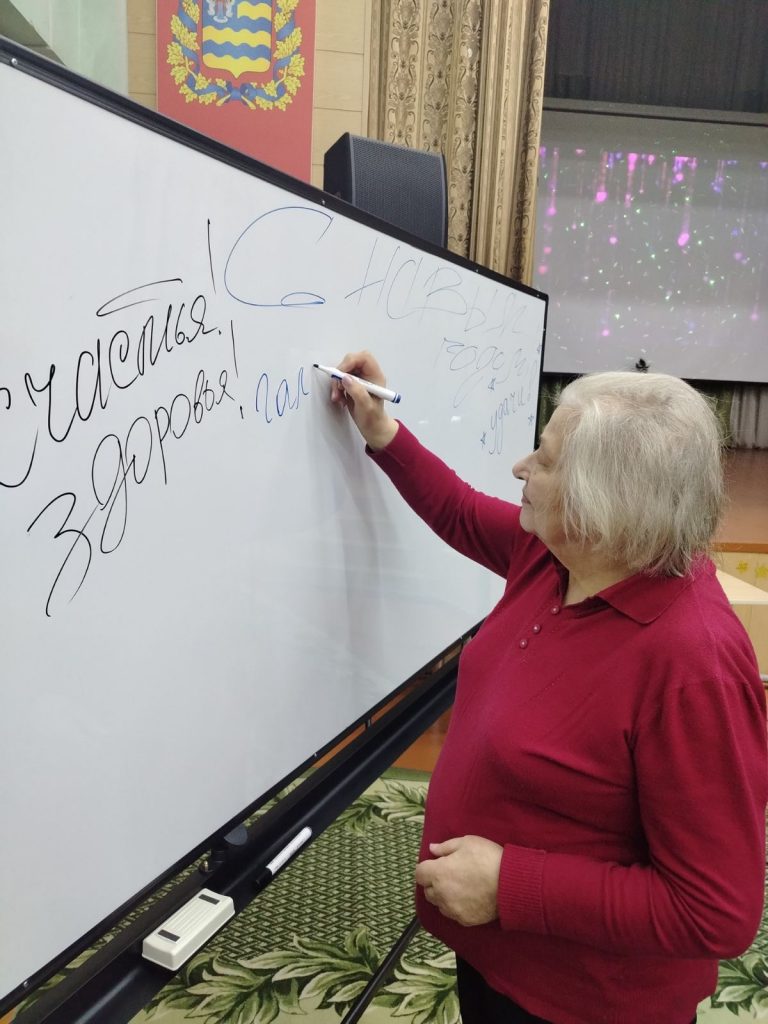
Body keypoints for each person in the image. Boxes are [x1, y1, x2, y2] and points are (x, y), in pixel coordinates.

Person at [327, 351, 768, 1024]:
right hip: (498, 954)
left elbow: (715, 911)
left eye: (547, 460)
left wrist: (510, 885)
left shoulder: (692, 663)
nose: (521, 468)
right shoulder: (559, 554)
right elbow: (459, 510)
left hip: (586, 1000)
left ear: (605, 502)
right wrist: (380, 429)